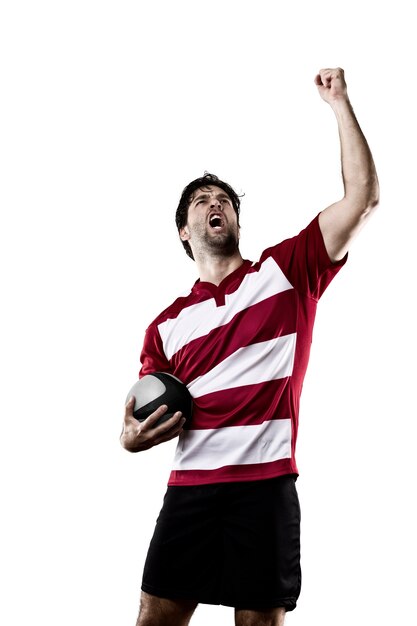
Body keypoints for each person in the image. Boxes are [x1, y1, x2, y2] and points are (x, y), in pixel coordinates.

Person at [120, 67, 379, 626]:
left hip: (265, 487)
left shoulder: (284, 271)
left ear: (235, 219)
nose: (215, 202)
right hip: (190, 489)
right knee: (153, 615)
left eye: (224, 199)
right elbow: (144, 407)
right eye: (201, 199)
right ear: (185, 233)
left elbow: (362, 198)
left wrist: (339, 104)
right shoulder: (165, 325)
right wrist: (129, 436)